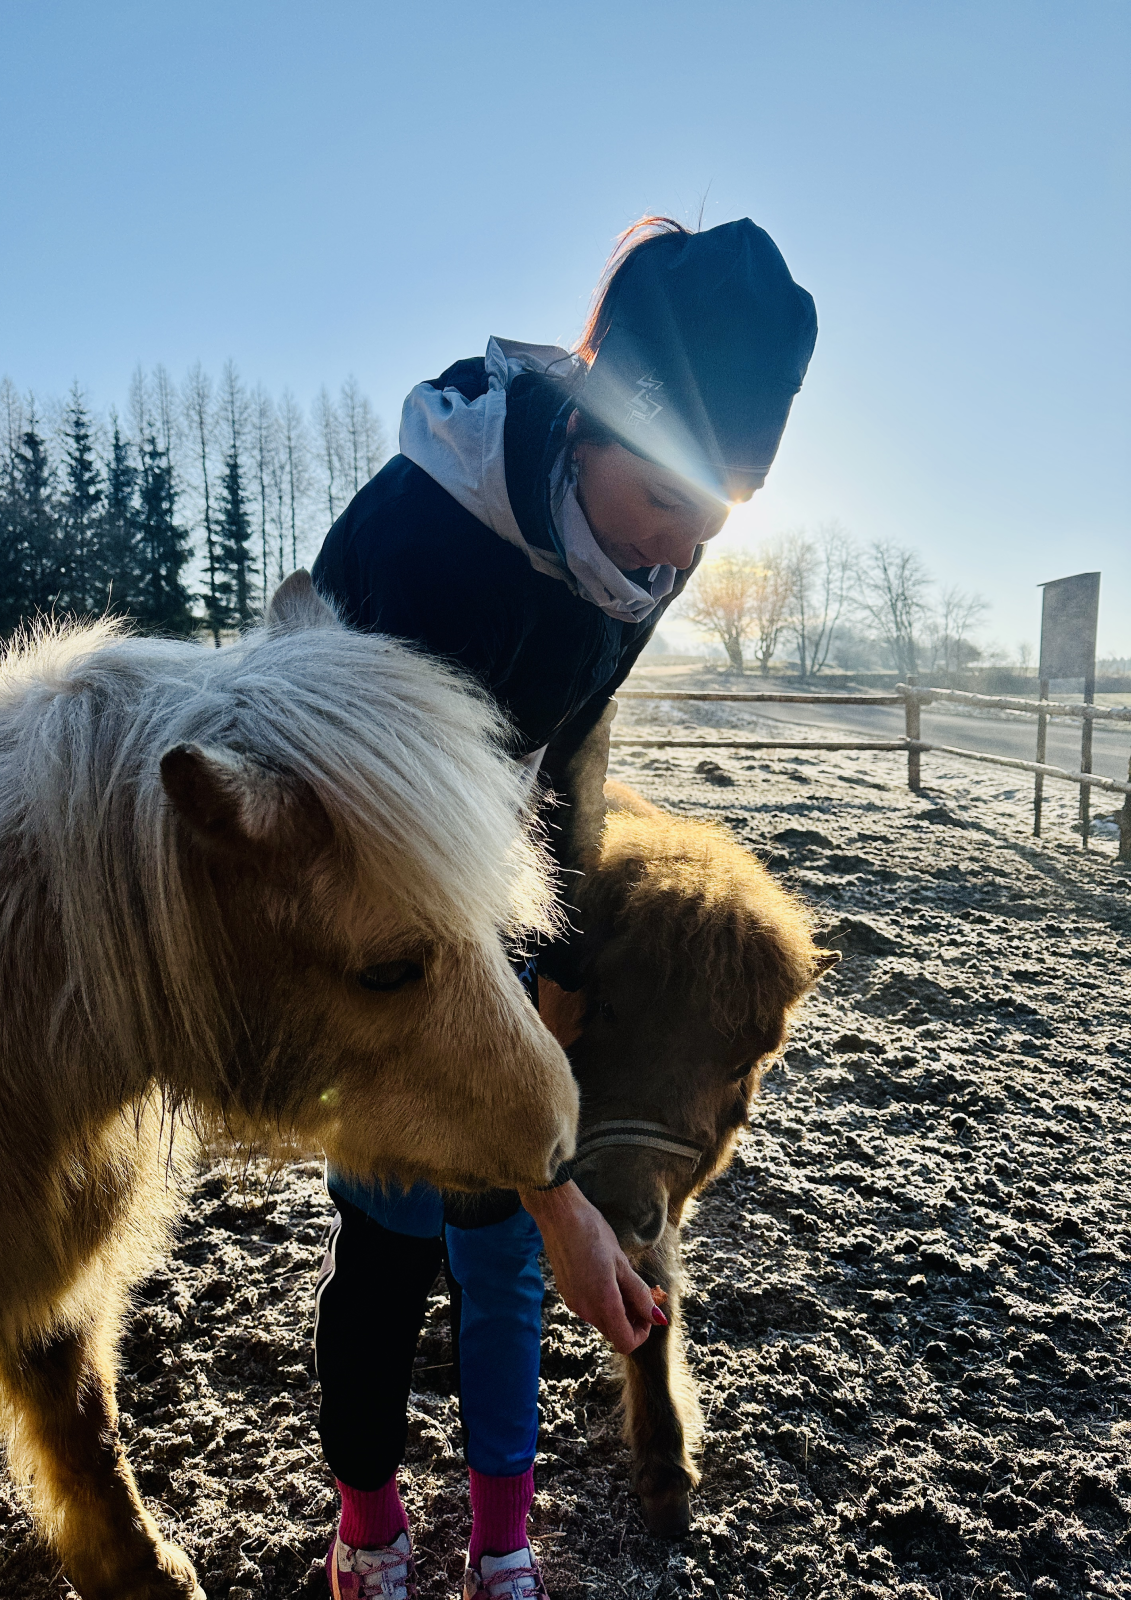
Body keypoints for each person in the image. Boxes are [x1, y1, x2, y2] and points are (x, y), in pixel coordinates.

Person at [309, 216, 817, 1600]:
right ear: (586, 419)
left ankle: (504, 1541)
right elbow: (379, 857)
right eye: (656, 503)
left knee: (505, 1268)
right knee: (393, 1242)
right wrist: (555, 1189)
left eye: (704, 524)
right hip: (375, 896)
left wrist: (566, 959)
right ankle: (369, 1529)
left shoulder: (645, 554)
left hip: (504, 883)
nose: (670, 551)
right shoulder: (422, 544)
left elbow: (576, 741)